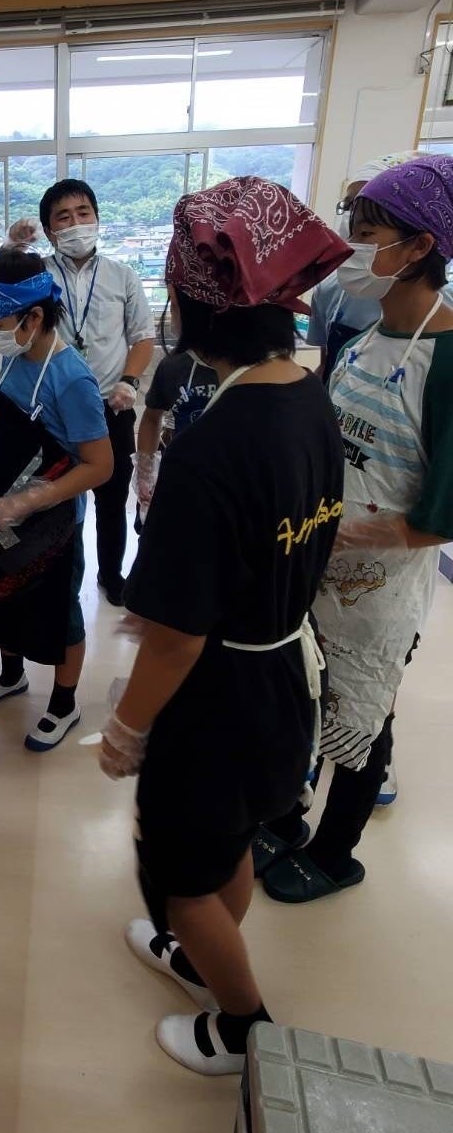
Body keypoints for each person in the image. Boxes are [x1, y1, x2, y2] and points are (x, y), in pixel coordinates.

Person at [98, 177, 349, 1075]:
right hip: (284, 670)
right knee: (232, 837)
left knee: (183, 873)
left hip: (218, 701)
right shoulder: (309, 402)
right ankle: (196, 953)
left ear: (190, 308)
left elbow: (175, 638)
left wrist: (128, 728)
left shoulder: (212, 448)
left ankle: (244, 1026)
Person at [258, 156, 453, 904]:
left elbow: (446, 510)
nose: (354, 248)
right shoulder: (366, 340)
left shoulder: (450, 362)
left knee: (362, 713)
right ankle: (286, 817)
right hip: (318, 565)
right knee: (310, 694)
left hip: (380, 587)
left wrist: (359, 532)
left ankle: (336, 852)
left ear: (419, 247)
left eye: (368, 233)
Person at [0, 246, 113, 751]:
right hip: (4, 503)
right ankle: (12, 674)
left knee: (59, 609)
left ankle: (64, 704)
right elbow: (21, 416)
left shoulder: (73, 377)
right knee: (4, 591)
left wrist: (32, 502)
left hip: (51, 519)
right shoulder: (16, 356)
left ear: (33, 316)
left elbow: (99, 466)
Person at [9, 180, 154, 605]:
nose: (76, 222)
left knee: (111, 498)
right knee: (54, 496)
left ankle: (111, 574)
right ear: (49, 229)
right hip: (51, 411)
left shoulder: (122, 275)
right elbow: (4, 306)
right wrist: (11, 247)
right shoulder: (37, 275)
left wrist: (130, 381)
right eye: (63, 216)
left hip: (112, 404)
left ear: (97, 218)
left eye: (83, 212)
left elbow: (143, 337)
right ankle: (54, 573)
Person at [308, 153, 430, 382]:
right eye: (349, 205)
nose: (353, 218)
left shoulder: (443, 312)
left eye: (368, 210)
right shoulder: (331, 289)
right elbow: (326, 368)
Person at [135, 349, 218, 519]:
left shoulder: (251, 369)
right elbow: (152, 417)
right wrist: (145, 472)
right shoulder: (175, 364)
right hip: (182, 473)